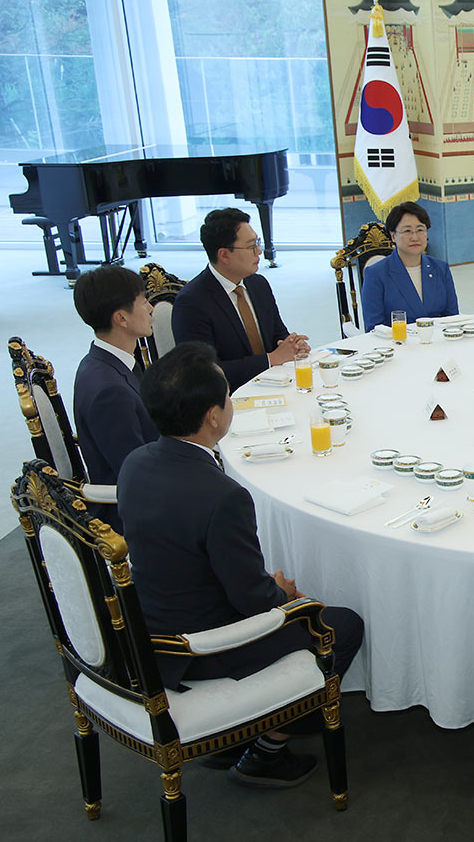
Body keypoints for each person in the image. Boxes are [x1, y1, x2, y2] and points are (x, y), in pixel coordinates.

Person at [118, 342, 364, 789]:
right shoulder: (222, 496)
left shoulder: (135, 464)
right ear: (213, 416)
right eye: (228, 397)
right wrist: (285, 595)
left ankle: (235, 738)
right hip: (201, 646)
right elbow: (253, 602)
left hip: (149, 628)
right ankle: (265, 748)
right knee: (341, 626)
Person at [172, 208, 309, 391]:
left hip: (277, 384)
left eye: (258, 243)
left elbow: (278, 334)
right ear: (224, 255)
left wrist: (293, 345)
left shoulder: (258, 284)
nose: (259, 251)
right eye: (252, 246)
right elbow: (202, 372)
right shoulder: (191, 303)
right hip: (231, 398)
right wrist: (271, 359)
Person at [71, 265, 159, 529]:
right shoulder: (110, 392)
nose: (151, 309)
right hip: (133, 513)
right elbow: (136, 474)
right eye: (143, 302)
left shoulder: (105, 360)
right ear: (121, 318)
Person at [361, 201, 459, 331]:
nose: (415, 237)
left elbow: (452, 318)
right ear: (393, 236)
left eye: (420, 230)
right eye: (407, 231)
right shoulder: (376, 274)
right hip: (398, 345)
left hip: (439, 343)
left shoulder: (441, 269)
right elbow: (374, 328)